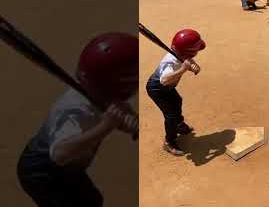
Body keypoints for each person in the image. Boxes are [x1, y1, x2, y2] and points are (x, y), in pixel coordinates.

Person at [17, 33, 139, 207]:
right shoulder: (76, 112)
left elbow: (116, 108)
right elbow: (59, 155)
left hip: (68, 168)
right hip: (42, 172)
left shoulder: (97, 89)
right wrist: (106, 126)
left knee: (91, 200)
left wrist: (131, 123)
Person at [146, 29, 205, 156]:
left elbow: (186, 61)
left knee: (178, 101)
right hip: (157, 89)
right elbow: (164, 80)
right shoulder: (170, 62)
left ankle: (179, 124)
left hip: (168, 87)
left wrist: (192, 66)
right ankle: (169, 142)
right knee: (170, 115)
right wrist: (184, 69)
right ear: (189, 51)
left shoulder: (182, 55)